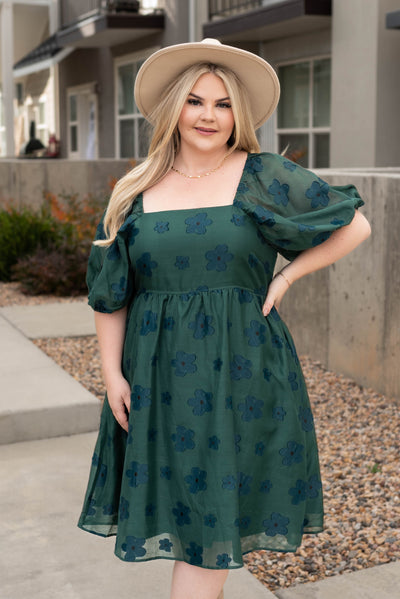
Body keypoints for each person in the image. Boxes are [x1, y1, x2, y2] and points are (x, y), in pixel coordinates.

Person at [78, 39, 371, 599]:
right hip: (158, 381)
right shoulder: (133, 189)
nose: (208, 116)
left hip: (243, 373)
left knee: (209, 521)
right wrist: (112, 375)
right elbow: (110, 294)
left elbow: (355, 227)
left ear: (238, 114)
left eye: (223, 104)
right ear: (173, 110)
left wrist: (285, 277)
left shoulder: (263, 175)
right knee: (190, 519)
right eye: (194, 101)